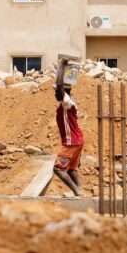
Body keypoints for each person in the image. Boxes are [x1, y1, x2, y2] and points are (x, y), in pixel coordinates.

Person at [53, 58, 84, 196]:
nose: (55, 94)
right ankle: (81, 192)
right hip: (77, 140)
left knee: (58, 169)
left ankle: (76, 191)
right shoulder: (69, 102)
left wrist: (61, 65)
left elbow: (59, 85)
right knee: (71, 169)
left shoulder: (66, 102)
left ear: (63, 92)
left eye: (57, 92)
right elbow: (60, 87)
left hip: (71, 142)